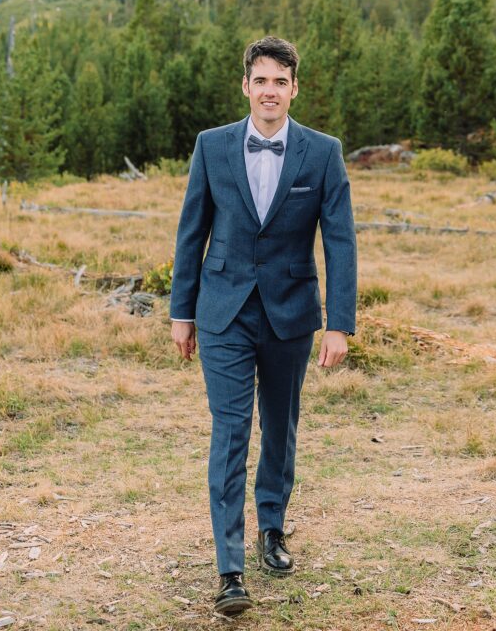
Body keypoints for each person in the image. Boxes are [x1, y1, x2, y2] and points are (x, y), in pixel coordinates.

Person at [169, 35, 357, 616]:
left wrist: (339, 324)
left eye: (281, 81)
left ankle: (271, 527)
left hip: (291, 313)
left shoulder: (323, 152)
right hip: (222, 310)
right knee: (230, 431)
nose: (270, 90)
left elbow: (341, 241)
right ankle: (230, 569)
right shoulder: (211, 146)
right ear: (245, 86)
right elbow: (192, 230)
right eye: (261, 80)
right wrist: (181, 311)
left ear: (294, 88)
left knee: (280, 425)